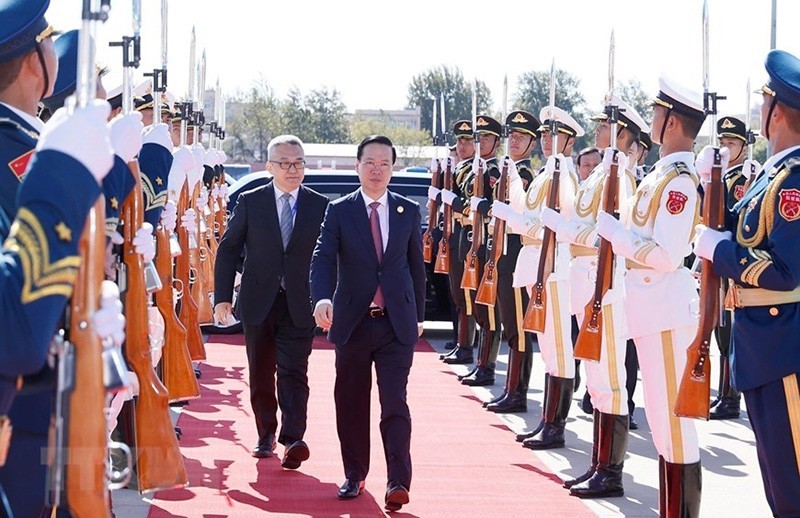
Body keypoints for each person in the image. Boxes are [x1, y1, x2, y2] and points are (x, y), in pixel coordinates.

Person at [694, 49, 800, 517]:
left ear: (777, 111)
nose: (761, 109)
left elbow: (785, 269)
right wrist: (708, 184)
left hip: (783, 347)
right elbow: (733, 226)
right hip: (759, 345)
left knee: (792, 481)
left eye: (765, 101)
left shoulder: (794, 180)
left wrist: (718, 250)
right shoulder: (770, 175)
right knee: (777, 482)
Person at [597, 76, 705, 516]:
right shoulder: (660, 175)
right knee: (662, 426)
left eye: (657, 114)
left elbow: (666, 254)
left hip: (663, 308)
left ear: (672, 122)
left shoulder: (678, 181)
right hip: (646, 306)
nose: (651, 121)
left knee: (672, 426)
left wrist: (616, 234)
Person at [311, 135, 425, 513]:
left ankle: (397, 482)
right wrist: (323, 298)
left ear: (393, 168)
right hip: (353, 323)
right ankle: (354, 474)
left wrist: (419, 316)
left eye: (385, 164)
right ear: (357, 166)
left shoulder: (408, 210)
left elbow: (415, 269)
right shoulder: (340, 210)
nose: (377, 170)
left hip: (397, 326)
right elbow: (323, 257)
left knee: (395, 402)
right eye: (370, 163)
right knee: (352, 401)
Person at [541, 95, 646, 498]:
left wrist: (563, 229)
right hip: (585, 279)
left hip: (607, 283)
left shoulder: (622, 176)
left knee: (610, 378)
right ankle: (599, 464)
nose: (597, 129)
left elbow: (615, 236)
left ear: (621, 132)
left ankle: (612, 470)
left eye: (604, 124)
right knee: (597, 379)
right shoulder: (600, 174)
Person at [215, 135, 328, 468]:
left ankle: (293, 439)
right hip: (257, 300)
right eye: (285, 163)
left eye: (298, 162)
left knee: (295, 372)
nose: (293, 169)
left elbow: (332, 257)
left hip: (300, 302)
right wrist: (223, 297)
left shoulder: (320, 205)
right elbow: (228, 249)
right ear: (269, 167)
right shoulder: (252, 201)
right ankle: (265, 434)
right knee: (261, 372)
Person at [478, 110, 538, 411]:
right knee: (511, 325)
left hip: (515, 249)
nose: (515, 141)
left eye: (522, 137)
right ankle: (512, 388)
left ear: (533, 143)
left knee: (518, 326)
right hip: (501, 249)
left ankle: (518, 391)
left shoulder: (525, 175)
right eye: (512, 136)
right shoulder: (507, 171)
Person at [700, 115, 753, 420]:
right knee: (720, 331)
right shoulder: (721, 176)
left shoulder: (738, 181)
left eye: (732, 143)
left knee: (728, 331)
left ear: (744, 148)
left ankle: (730, 396)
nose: (725, 148)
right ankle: (724, 393)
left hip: (730, 265)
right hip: (716, 261)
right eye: (722, 142)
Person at [438, 120, 479, 365]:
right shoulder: (460, 169)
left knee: (467, 297)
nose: (462, 145)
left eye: (467, 141)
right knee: (458, 297)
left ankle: (466, 347)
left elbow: (471, 207)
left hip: (467, 234)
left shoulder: (477, 171)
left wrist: (451, 200)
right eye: (459, 141)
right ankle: (461, 343)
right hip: (455, 235)